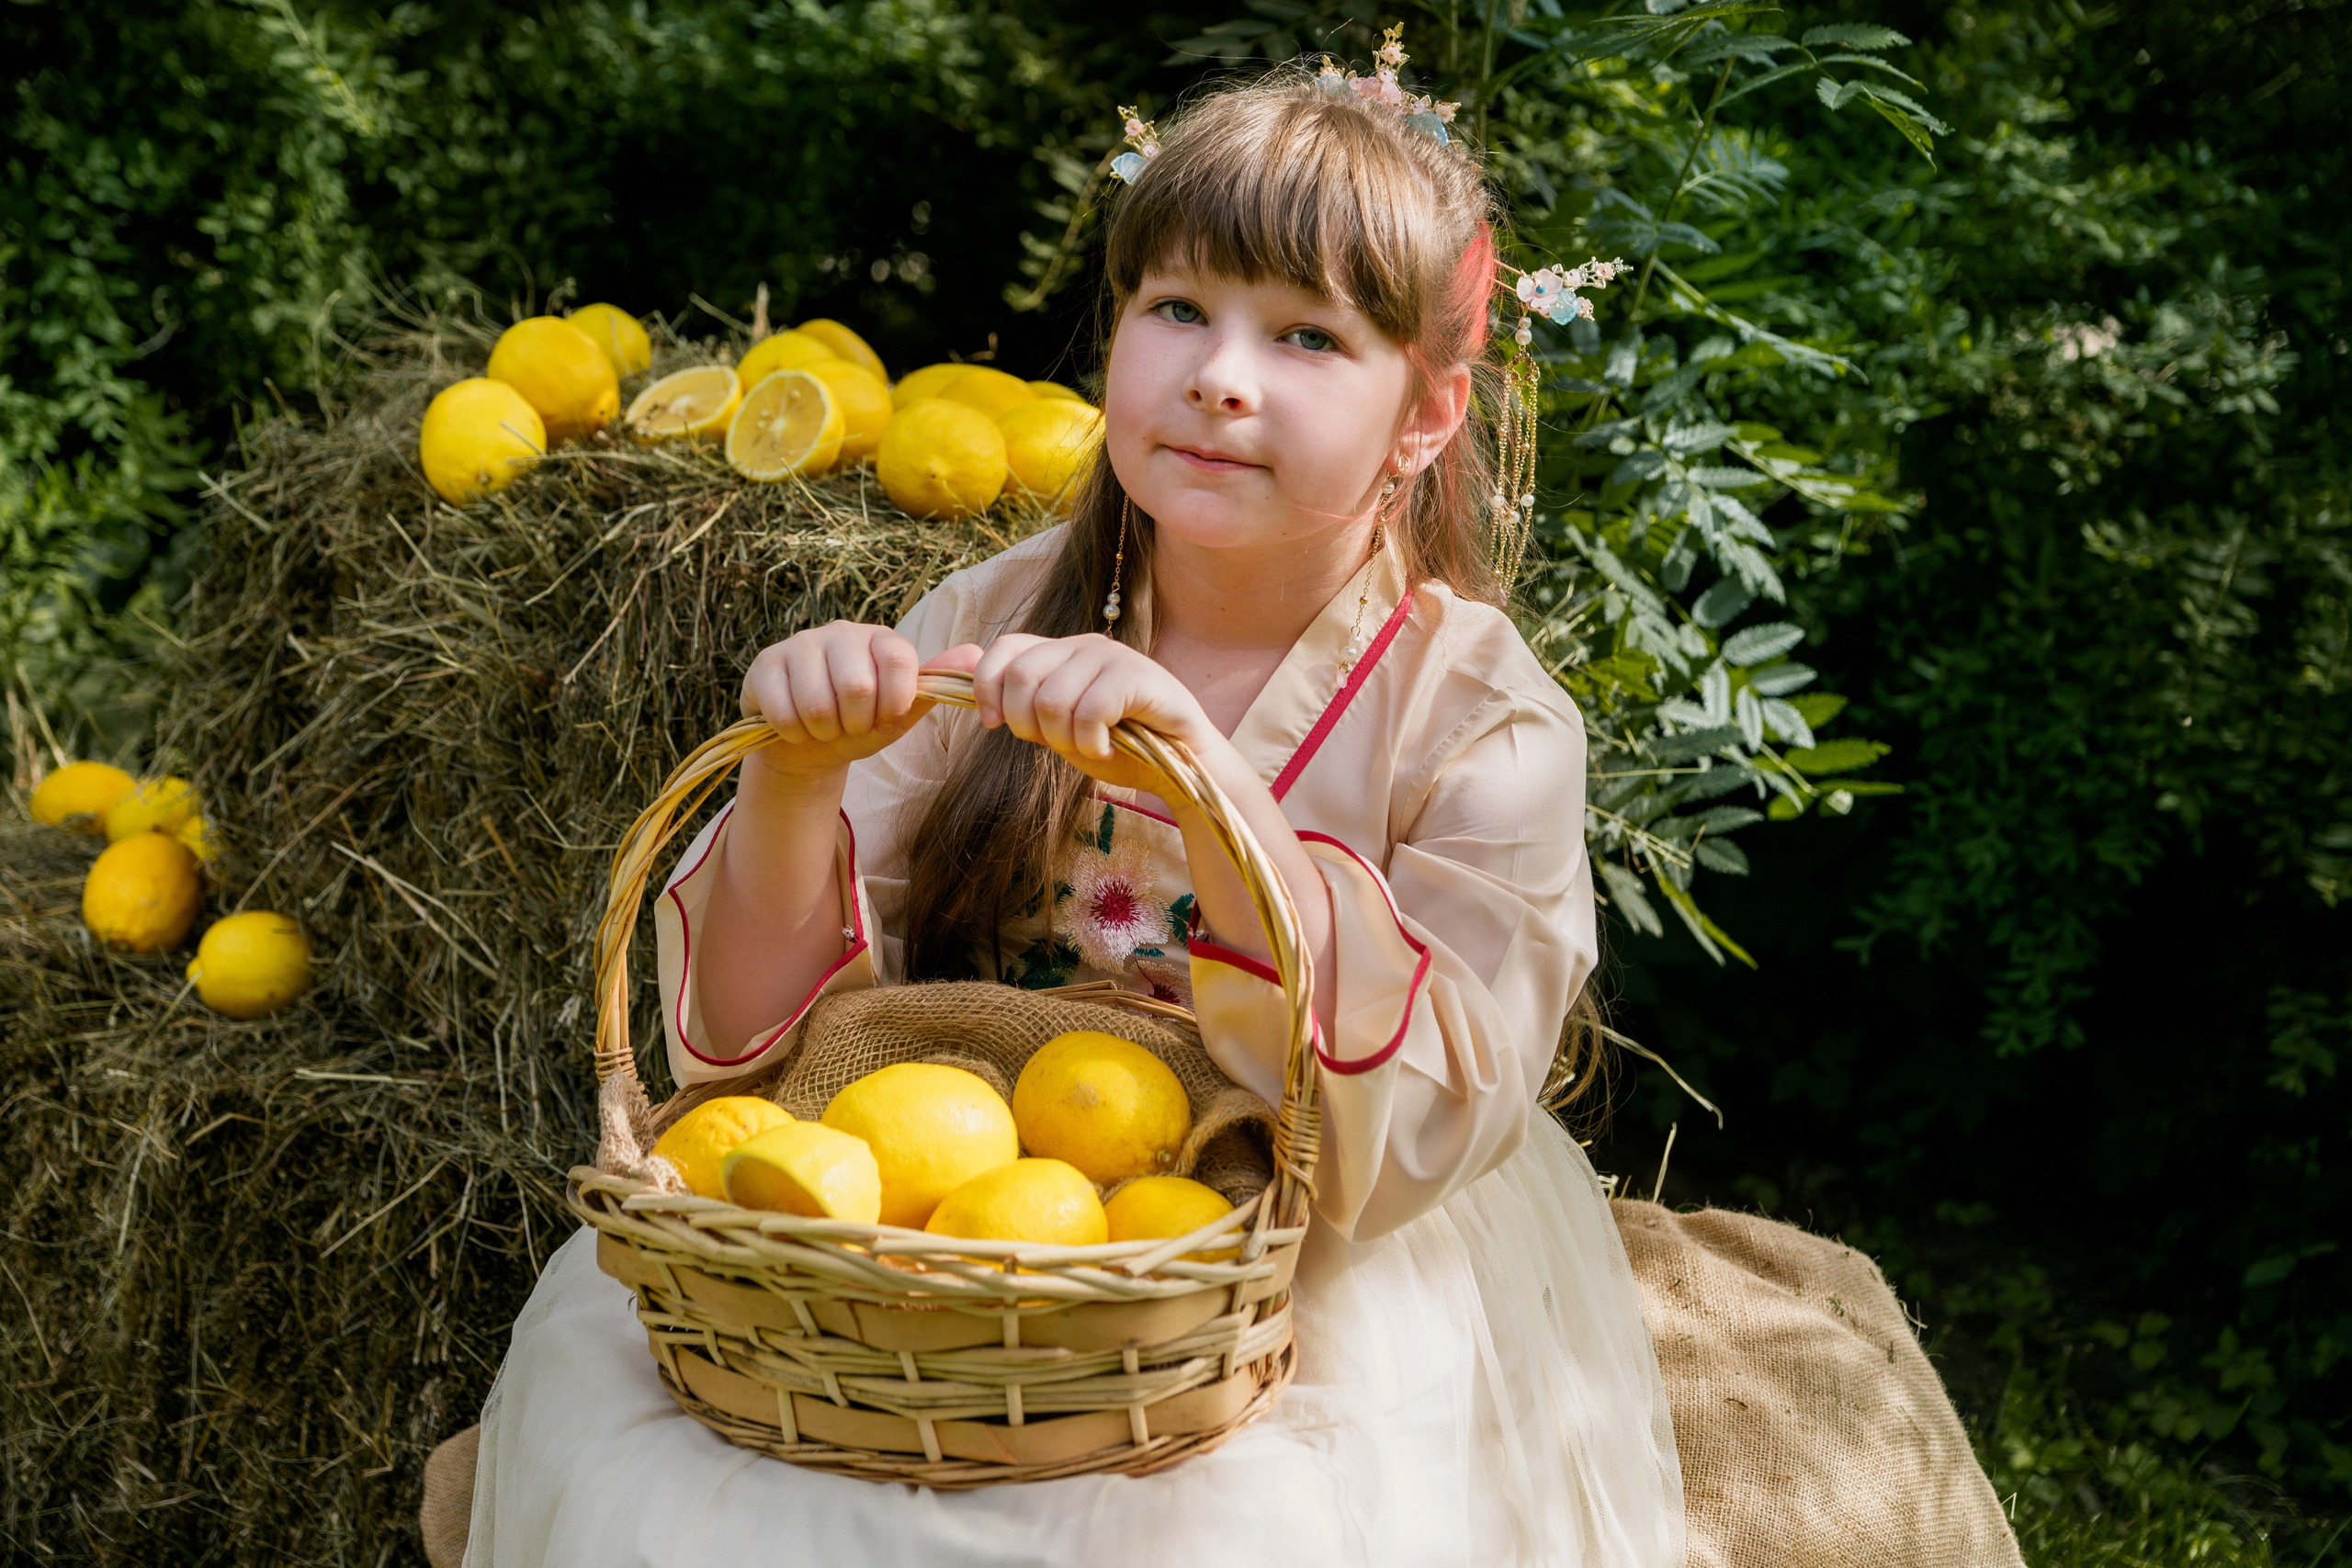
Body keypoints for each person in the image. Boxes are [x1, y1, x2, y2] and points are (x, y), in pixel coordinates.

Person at [463, 59, 1685, 1568]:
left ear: (1428, 413)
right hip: (955, 1227)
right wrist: (793, 771)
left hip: (1285, 1258)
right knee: (619, 1428)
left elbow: (1419, 1127)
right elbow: (762, 1052)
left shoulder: (1480, 718)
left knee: (1249, 1523)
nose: (1221, 375)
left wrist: (1210, 782)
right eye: (1178, 309)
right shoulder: (987, 616)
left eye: (1308, 336)